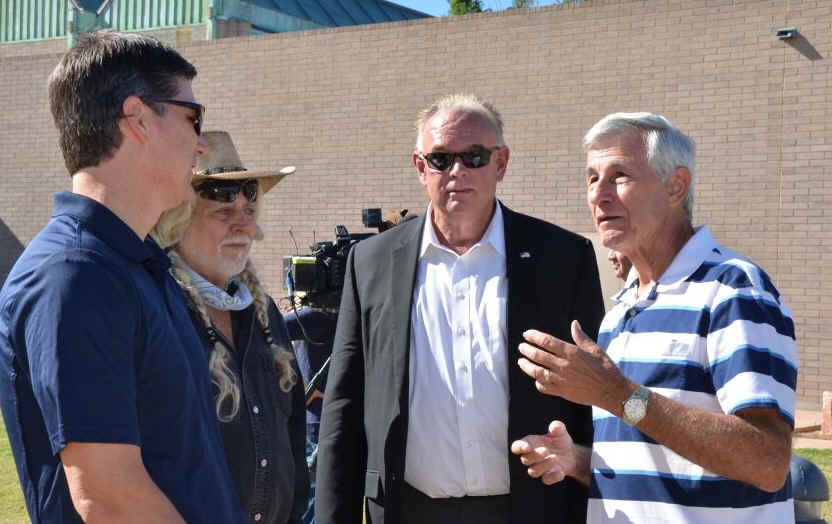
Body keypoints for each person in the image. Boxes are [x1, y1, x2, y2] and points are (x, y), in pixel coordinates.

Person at [315, 93, 605, 524]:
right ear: (420, 167)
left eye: (473, 157)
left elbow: (599, 396)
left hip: (531, 509)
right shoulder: (372, 262)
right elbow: (344, 404)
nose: (457, 172)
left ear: (501, 163)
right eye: (440, 159)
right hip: (406, 510)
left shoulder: (563, 258)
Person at [0, 32, 245, 522]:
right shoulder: (74, 275)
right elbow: (108, 497)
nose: (201, 146)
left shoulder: (137, 263)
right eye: (192, 118)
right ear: (137, 119)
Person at [511, 112, 796, 522]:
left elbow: (767, 462)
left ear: (675, 186)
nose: (598, 194)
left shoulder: (734, 290)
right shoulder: (623, 306)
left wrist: (620, 396)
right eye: (592, 178)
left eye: (619, 175)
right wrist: (578, 460)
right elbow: (659, 463)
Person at [152, 131, 308, 524]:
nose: (243, 226)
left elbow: (291, 429)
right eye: (223, 213)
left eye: (249, 211)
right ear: (177, 222)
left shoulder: (262, 311)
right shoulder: (157, 310)